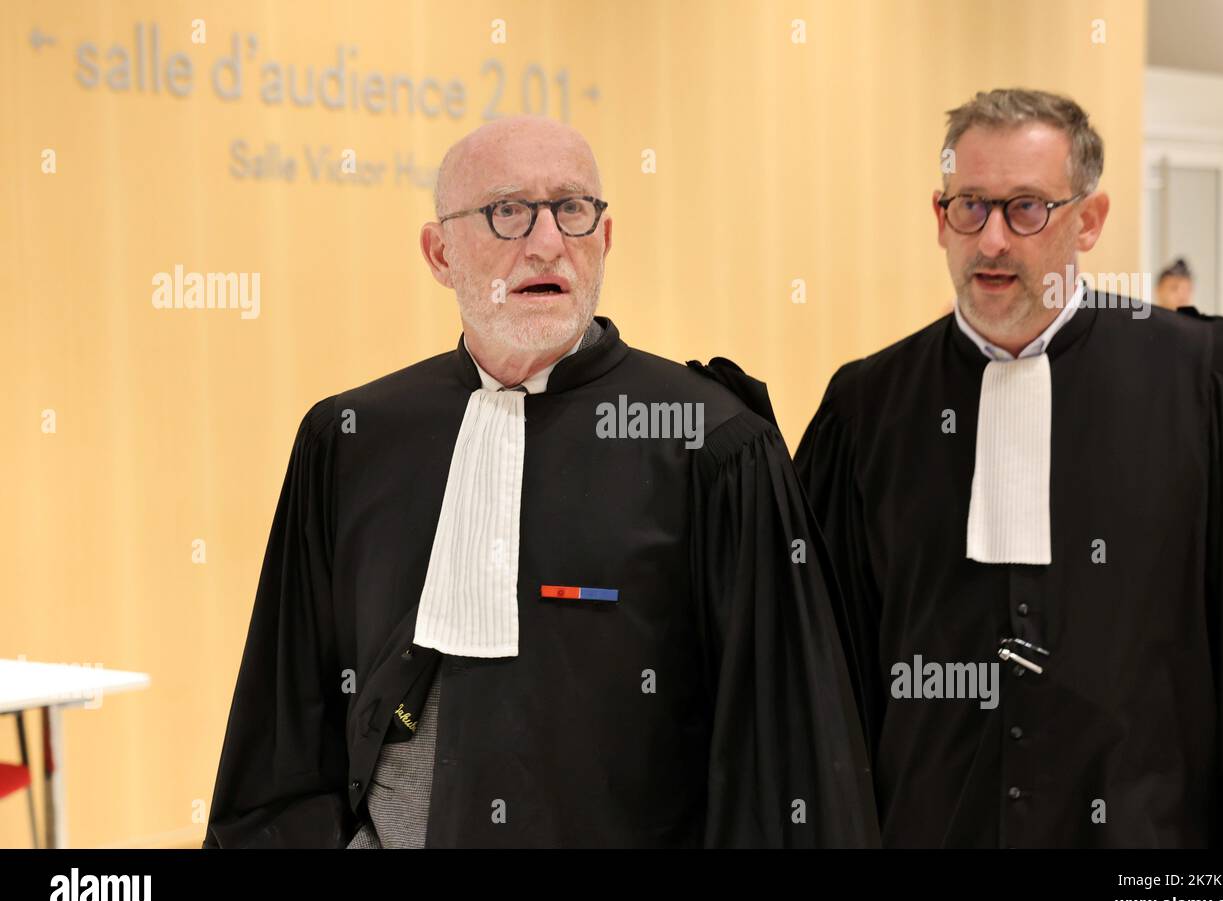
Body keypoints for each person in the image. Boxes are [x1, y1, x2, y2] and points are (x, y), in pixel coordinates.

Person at [204, 115, 877, 848]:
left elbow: (780, 753)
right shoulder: (352, 438)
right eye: (508, 212)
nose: (548, 241)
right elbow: (286, 724)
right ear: (439, 253)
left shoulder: (710, 443)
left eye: (573, 209)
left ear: (606, 239)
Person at [796, 88, 1223, 847]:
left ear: (1088, 221)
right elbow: (828, 679)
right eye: (969, 207)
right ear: (939, 218)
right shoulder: (867, 408)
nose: (992, 240)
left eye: (1026, 208)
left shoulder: (1207, 382)